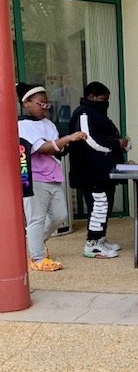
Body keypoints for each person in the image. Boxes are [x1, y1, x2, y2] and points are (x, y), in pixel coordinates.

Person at [17, 82, 87, 271]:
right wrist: (67, 138)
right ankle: (37, 258)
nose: (45, 107)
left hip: (53, 176)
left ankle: (36, 242)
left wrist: (68, 143)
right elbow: (44, 148)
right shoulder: (22, 125)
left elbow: (56, 149)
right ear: (26, 103)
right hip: (33, 178)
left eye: (47, 104)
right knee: (36, 219)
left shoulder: (48, 124)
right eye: (41, 103)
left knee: (59, 216)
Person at [68, 81, 127, 259]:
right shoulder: (84, 113)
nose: (106, 102)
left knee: (105, 205)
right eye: (103, 99)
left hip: (103, 170)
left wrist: (120, 144)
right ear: (92, 97)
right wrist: (115, 144)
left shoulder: (97, 113)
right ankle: (92, 244)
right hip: (91, 170)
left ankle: (100, 239)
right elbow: (89, 140)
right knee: (99, 206)